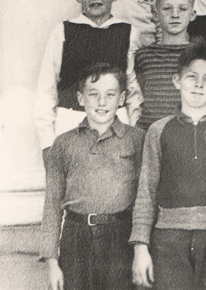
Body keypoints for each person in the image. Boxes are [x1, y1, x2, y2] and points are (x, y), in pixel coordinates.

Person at [130, 40, 206, 290]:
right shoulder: (158, 130)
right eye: (191, 77)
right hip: (169, 240)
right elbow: (146, 192)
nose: (199, 84)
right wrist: (141, 247)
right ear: (177, 80)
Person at [39, 63, 145, 290]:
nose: (102, 102)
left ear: (122, 98)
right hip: (76, 237)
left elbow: (145, 199)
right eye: (93, 94)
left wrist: (141, 248)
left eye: (110, 94)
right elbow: (52, 204)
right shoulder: (63, 144)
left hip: (121, 237)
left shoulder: (137, 140)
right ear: (80, 98)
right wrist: (52, 262)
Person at [35, 0, 143, 155]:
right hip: (71, 122)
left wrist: (133, 133)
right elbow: (47, 90)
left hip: (116, 125)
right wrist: (47, 144)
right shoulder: (62, 31)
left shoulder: (128, 32)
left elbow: (133, 88)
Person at [133, 0, 197, 131]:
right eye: (167, 8)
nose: (175, 15)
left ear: (193, 14)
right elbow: (140, 95)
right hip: (149, 133)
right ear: (156, 15)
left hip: (187, 133)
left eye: (182, 9)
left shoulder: (202, 55)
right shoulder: (144, 55)